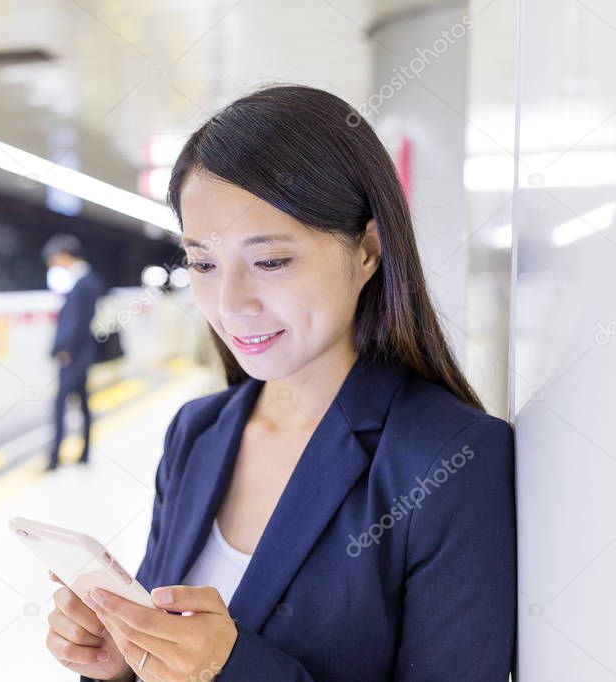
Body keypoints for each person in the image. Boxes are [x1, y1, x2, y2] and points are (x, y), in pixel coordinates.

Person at [45, 84, 516, 681]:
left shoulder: (449, 460)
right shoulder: (199, 432)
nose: (231, 303)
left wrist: (233, 667)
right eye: (203, 263)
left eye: (269, 261)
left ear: (367, 250)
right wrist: (125, 663)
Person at [42, 233, 105, 472]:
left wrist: (64, 350)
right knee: (83, 403)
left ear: (65, 255)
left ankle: (54, 457)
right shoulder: (90, 280)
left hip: (74, 355)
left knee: (60, 404)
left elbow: (75, 322)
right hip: (84, 353)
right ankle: (85, 452)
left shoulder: (81, 283)